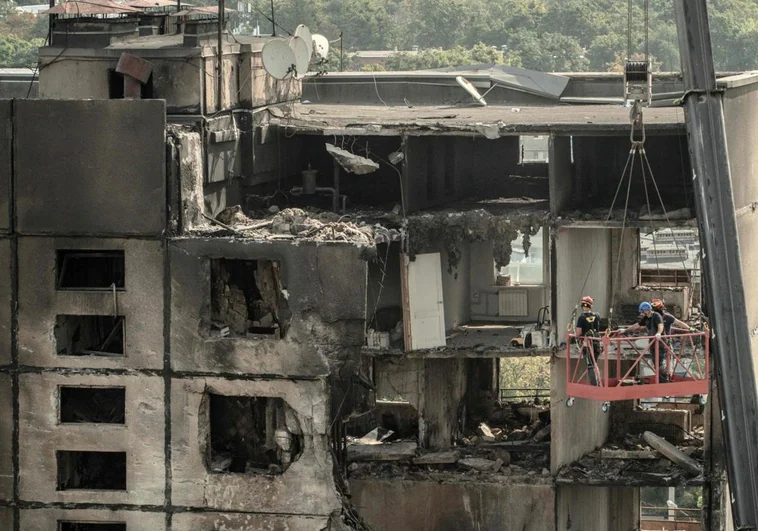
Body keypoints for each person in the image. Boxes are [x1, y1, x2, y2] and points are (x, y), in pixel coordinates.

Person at [620, 301, 669, 383]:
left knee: (659, 363)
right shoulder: (646, 318)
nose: (642, 313)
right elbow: (637, 325)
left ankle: (664, 381)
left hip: (660, 343)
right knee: (655, 363)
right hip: (653, 343)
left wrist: (659, 333)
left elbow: (661, 325)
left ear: (647, 310)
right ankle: (662, 380)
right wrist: (625, 330)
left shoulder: (656, 316)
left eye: (642, 311)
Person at [575, 296, 601, 386]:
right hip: (597, 343)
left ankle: (595, 385)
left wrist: (577, 336)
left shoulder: (581, 318)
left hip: (588, 344)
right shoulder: (597, 315)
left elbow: (578, 333)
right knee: (595, 363)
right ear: (591, 306)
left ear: (583, 305)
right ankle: (599, 382)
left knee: (590, 365)